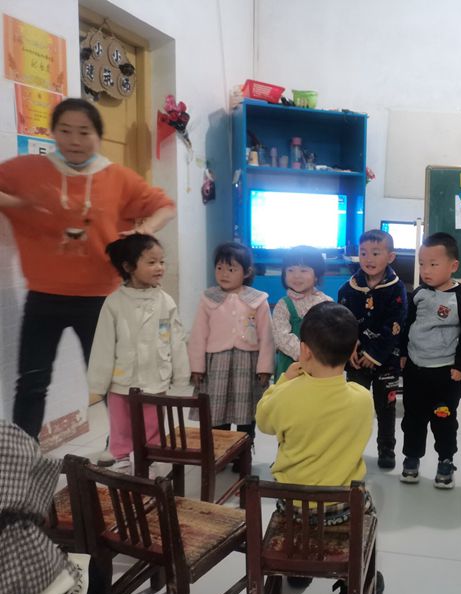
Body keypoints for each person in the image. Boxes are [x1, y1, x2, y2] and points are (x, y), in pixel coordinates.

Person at [0, 97, 175, 440]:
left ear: (98, 135)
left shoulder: (117, 177)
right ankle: (24, 459)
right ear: (53, 133)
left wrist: (145, 229)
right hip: (42, 297)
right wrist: (17, 203)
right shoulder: (30, 170)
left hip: (100, 299)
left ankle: (127, 451)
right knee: (32, 382)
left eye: (84, 132)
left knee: (113, 382)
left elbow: (165, 206)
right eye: (65, 131)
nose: (74, 140)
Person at [255, 302, 383, 594]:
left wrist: (283, 381)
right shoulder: (362, 399)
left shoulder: (286, 396)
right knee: (369, 509)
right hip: (343, 507)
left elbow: (263, 421)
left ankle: (297, 571)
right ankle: (360, 580)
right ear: (352, 351)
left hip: (294, 509)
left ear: (304, 351)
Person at [86, 234, 191, 473]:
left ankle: (149, 458)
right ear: (128, 267)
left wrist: (181, 375)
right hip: (122, 379)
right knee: (121, 423)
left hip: (155, 376)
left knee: (153, 422)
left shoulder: (165, 301)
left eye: (162, 262)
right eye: (151, 262)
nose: (159, 267)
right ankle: (121, 456)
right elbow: (103, 345)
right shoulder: (114, 303)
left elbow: (175, 340)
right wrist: (98, 384)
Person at [399, 232, 461, 488]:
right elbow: (407, 325)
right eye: (422, 264)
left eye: (433, 264)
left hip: (445, 373)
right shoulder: (419, 294)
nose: (426, 270)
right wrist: (403, 354)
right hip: (415, 369)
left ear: (453, 266)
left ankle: (446, 460)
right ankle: (412, 458)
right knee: (413, 418)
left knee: (443, 418)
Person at [188, 242, 273, 440]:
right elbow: (198, 335)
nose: (224, 274)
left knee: (246, 413)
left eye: (231, 269)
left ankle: (244, 449)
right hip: (216, 364)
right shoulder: (208, 298)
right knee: (217, 411)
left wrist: (265, 368)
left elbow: (267, 337)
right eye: (219, 268)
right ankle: (220, 447)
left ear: (247, 272)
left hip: (248, 363)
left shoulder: (257, 300)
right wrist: (196, 368)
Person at [338, 229, 407, 470]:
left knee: (386, 408)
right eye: (363, 253)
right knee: (354, 407)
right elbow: (343, 321)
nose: (368, 258)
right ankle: (351, 450)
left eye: (376, 253)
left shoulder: (396, 289)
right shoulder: (348, 288)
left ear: (390, 257)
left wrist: (374, 354)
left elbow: (395, 325)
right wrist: (349, 346)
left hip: (386, 360)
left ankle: (386, 449)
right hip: (356, 360)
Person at [272, 246, 331, 381]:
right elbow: (281, 337)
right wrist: (307, 357)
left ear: (316, 275)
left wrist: (320, 357)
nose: (296, 275)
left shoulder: (326, 302)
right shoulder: (283, 304)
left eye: (303, 270)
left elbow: (331, 334)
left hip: (321, 364)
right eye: (290, 270)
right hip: (290, 366)